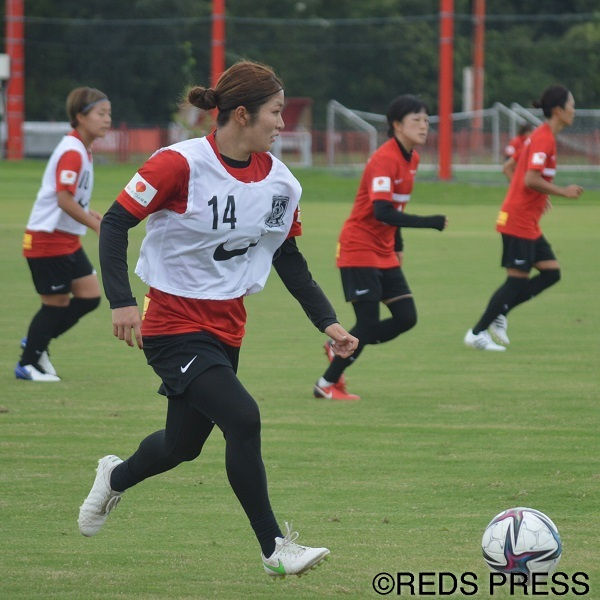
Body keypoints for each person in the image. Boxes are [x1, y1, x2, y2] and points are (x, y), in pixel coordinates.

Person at [77, 60, 358, 579]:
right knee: (243, 418)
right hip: (171, 324)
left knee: (181, 447)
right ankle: (275, 549)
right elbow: (114, 223)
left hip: (227, 326)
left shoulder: (281, 182)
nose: (283, 123)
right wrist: (120, 301)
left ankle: (114, 478)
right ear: (243, 114)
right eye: (276, 112)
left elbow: (287, 256)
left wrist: (328, 322)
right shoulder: (177, 164)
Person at [313, 95, 448, 401]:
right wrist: (431, 222)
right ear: (397, 125)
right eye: (416, 120)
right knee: (368, 323)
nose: (424, 126)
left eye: (426, 120)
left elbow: (395, 207)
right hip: (358, 247)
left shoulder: (412, 159)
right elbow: (382, 211)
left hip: (384, 251)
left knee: (406, 317)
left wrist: (397, 244)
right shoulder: (384, 159)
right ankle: (326, 384)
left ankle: (339, 346)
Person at [464, 85, 584, 351]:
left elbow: (511, 168)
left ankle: (500, 312)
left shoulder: (541, 135)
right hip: (518, 219)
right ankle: (476, 333)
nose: (574, 111)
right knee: (517, 280)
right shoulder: (544, 138)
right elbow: (530, 178)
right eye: (571, 105)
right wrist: (560, 191)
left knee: (551, 272)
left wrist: (540, 193)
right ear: (558, 110)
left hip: (527, 219)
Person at [16, 87, 111, 382]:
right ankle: (27, 364)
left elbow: (70, 199)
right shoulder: (72, 151)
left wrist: (89, 212)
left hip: (66, 240)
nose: (107, 120)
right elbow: (63, 199)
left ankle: (37, 341)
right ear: (80, 116)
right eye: (101, 113)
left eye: (109, 114)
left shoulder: (82, 149)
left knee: (90, 296)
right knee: (55, 304)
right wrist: (95, 224)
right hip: (48, 239)